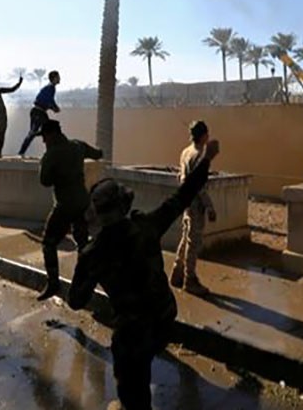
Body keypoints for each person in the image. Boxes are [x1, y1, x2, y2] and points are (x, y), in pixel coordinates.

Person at [67, 139, 221, 410]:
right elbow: (183, 195)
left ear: (97, 214)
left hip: (134, 334)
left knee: (133, 391)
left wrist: (83, 249)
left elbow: (76, 301)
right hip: (164, 316)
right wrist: (207, 158)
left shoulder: (94, 253)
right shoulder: (147, 225)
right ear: (125, 205)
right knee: (144, 357)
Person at [36, 119, 103, 301]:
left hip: (64, 206)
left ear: (51, 135)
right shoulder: (77, 146)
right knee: (82, 243)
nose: (43, 141)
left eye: (44, 137)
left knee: (48, 243)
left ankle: (53, 283)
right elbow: (97, 154)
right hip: (83, 202)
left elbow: (45, 181)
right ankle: (85, 281)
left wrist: (48, 162)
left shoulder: (51, 154)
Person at [170, 120, 217, 296]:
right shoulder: (200, 155)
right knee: (193, 241)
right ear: (204, 136)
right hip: (196, 203)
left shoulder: (186, 152)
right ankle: (190, 279)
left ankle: (177, 271)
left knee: (186, 236)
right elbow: (200, 186)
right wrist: (210, 207)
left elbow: (180, 176)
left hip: (186, 201)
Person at [19, 70, 61, 157]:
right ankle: (21, 152)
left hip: (39, 112)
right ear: (54, 78)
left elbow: (44, 99)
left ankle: (22, 152)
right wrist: (54, 108)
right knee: (46, 130)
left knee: (45, 131)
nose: (59, 79)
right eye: (58, 77)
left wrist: (53, 107)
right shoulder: (51, 88)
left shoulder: (49, 87)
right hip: (38, 113)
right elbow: (48, 100)